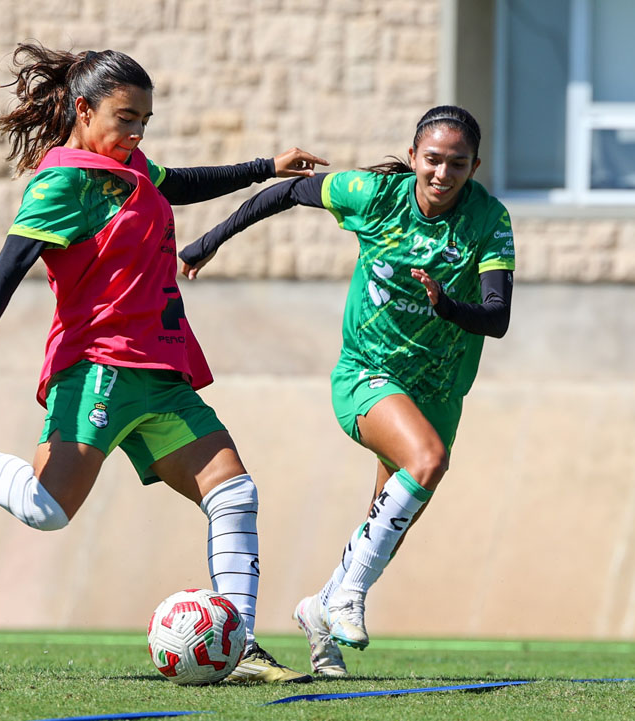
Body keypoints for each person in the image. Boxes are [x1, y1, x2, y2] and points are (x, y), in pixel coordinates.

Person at [0, 42, 327, 684]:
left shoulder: (131, 168)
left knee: (234, 492)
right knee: (46, 509)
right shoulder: (66, 178)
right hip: (100, 367)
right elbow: (13, 259)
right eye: (125, 117)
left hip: (162, 372)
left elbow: (181, 183)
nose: (135, 132)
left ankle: (240, 645)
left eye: (144, 121)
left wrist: (263, 167)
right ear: (84, 108)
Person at [179, 105, 515, 677]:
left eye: (457, 164)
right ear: (412, 159)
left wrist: (445, 305)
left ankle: (320, 611)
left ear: (474, 166)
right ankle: (343, 599)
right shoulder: (373, 195)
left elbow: (496, 316)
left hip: (437, 390)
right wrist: (211, 240)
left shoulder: (489, 218)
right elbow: (286, 194)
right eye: (432, 160)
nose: (442, 174)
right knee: (428, 459)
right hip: (367, 372)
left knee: (385, 522)